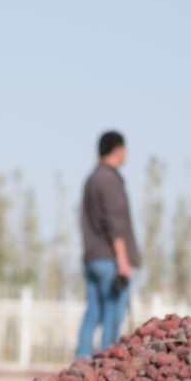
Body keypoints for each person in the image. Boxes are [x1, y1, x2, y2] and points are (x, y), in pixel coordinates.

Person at [76, 131, 141, 358]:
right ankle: (107, 366)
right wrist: (123, 260)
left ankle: (81, 364)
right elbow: (115, 222)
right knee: (114, 313)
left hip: (92, 257)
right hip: (110, 259)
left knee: (93, 312)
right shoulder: (110, 180)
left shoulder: (91, 179)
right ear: (118, 150)